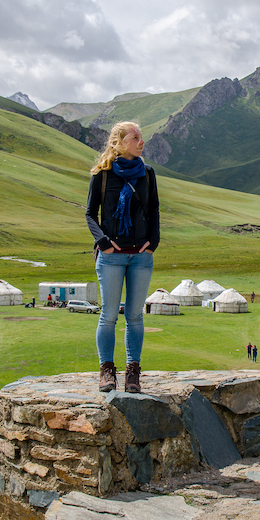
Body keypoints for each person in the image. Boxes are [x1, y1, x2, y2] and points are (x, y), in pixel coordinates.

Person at [86, 121, 160, 394]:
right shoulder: (102, 175)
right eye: (136, 137)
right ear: (119, 142)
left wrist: (153, 243)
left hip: (140, 256)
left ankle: (133, 373)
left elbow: (153, 211)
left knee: (135, 316)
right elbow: (90, 214)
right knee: (108, 316)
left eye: (141, 137)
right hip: (112, 257)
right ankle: (107, 371)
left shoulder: (148, 174)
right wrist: (103, 242)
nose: (142, 142)